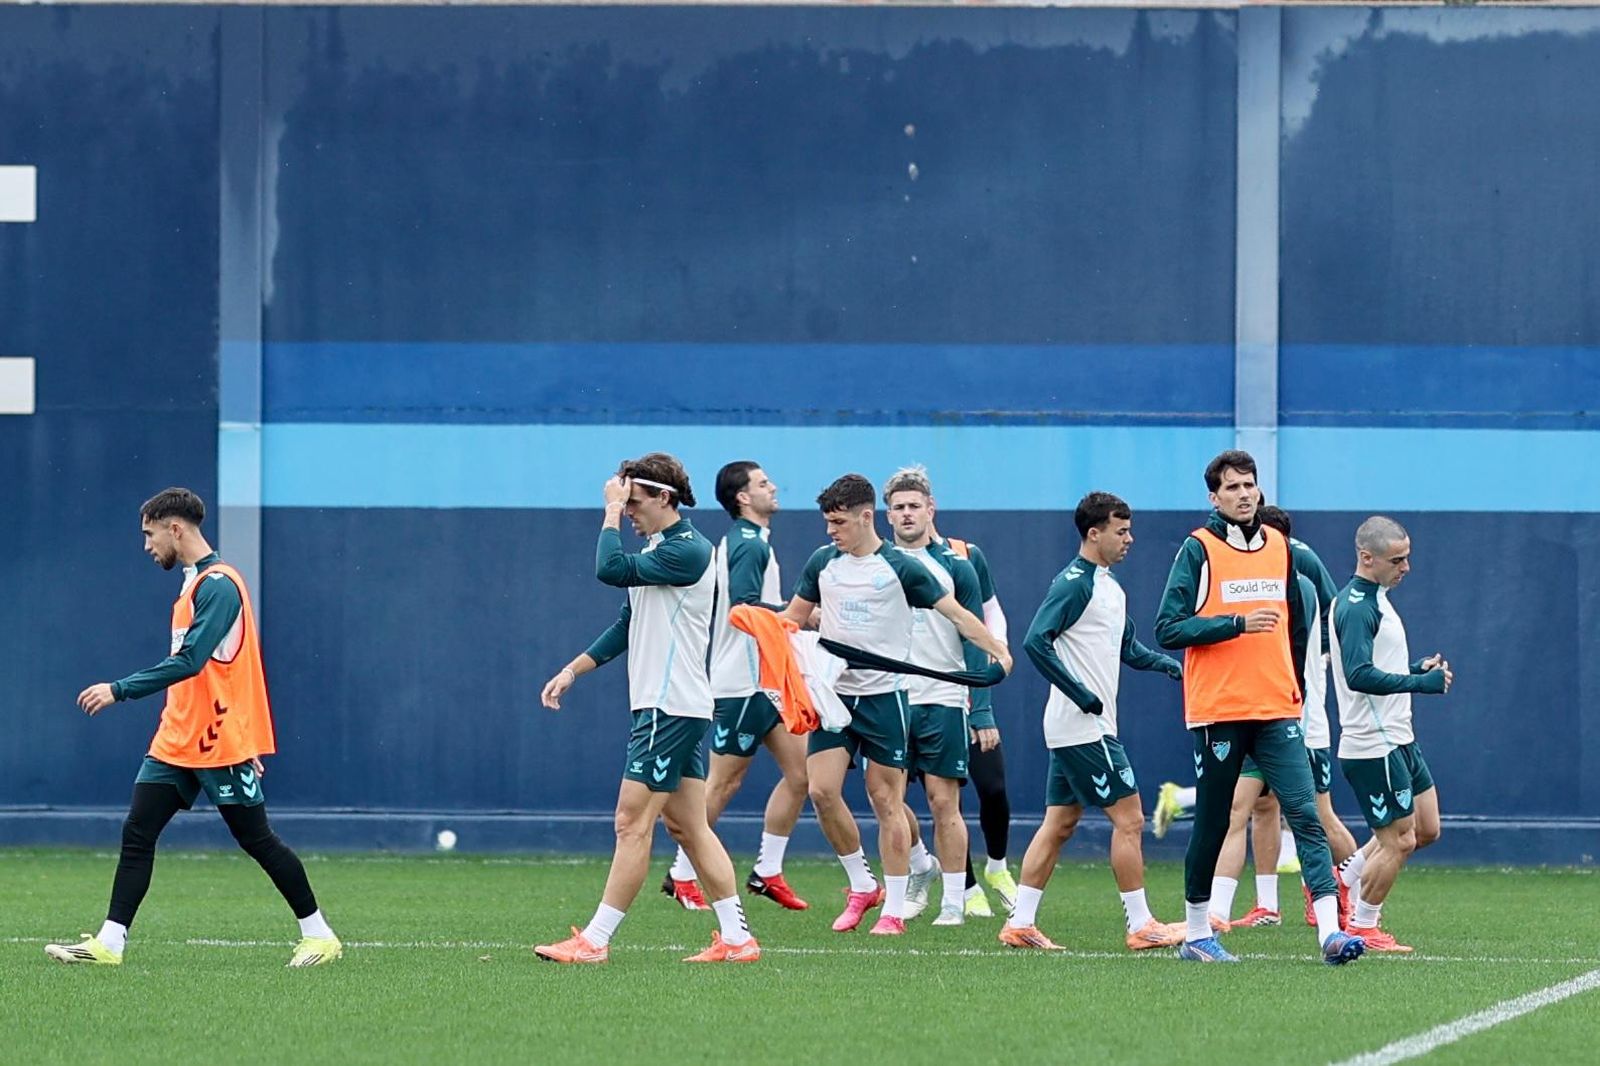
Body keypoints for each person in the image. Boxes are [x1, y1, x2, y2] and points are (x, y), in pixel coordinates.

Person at [46, 488, 340, 968]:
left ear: (174, 528)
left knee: (256, 839)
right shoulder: (193, 583)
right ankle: (109, 943)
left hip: (215, 738)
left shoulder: (219, 585)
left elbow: (192, 661)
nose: (146, 545)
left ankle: (320, 935)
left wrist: (119, 689)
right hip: (176, 737)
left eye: (149, 533)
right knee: (138, 832)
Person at [536, 454, 759, 964]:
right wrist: (572, 670)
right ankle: (738, 939)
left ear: (664, 498)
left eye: (635, 502)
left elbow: (607, 568)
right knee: (688, 827)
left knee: (630, 823)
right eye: (624, 503)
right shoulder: (660, 549)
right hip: (670, 707)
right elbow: (626, 624)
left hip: (669, 708)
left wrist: (609, 512)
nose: (628, 511)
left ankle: (595, 940)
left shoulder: (690, 549)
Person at [1154, 450, 1363, 965]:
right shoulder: (1197, 550)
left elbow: (1296, 625)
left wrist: (1293, 683)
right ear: (1214, 497)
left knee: (1306, 816)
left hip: (1277, 709)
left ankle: (1330, 936)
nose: (1244, 494)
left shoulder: (1280, 547)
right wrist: (1235, 624)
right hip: (1219, 710)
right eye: (1232, 487)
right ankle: (1199, 934)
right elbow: (1167, 627)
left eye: (1249, 485)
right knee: (1214, 822)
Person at [780, 474, 1010, 936]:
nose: (831, 531)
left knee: (888, 801)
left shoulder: (903, 568)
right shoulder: (823, 562)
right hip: (835, 694)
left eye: (838, 522)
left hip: (887, 696)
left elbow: (959, 615)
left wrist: (999, 653)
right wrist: (766, 633)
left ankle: (895, 908)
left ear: (865, 518)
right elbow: (791, 620)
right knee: (821, 791)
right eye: (827, 522)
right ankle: (862, 885)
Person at [999, 492, 1185, 952]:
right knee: (1131, 819)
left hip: (1078, 728)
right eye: (1121, 532)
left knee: (1059, 822)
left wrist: (1166, 664)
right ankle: (1141, 925)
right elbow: (1035, 641)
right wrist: (1080, 694)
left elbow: (1126, 648)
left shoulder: (1110, 586)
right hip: (1083, 726)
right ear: (1093, 533)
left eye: (1129, 530)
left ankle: (1020, 922)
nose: (1129, 539)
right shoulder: (1074, 583)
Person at [662, 462, 810, 912]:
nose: (773, 487)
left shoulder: (756, 540)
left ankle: (768, 871)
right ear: (743, 497)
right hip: (741, 682)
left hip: (766, 680)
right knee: (722, 785)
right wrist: (798, 614)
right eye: (764, 483)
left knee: (803, 776)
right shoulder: (746, 544)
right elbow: (743, 609)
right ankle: (681, 874)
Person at [1210, 505, 1358, 930]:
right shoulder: (1259, 582)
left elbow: (1334, 616)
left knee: (1317, 816)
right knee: (1249, 808)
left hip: (1298, 721)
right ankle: (1254, 907)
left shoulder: (1296, 582)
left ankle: (1353, 900)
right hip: (1264, 714)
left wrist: (1322, 659)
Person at [1331, 515, 1451, 953]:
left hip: (1399, 736)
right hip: (1372, 743)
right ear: (1367, 557)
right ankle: (1362, 925)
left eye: (1407, 557)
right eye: (1397, 560)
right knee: (1398, 840)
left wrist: (1413, 670)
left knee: (1426, 829)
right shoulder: (1357, 606)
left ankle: (1342, 877)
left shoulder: (1377, 598)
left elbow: (1378, 665)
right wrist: (1421, 684)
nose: (1406, 568)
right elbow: (1359, 673)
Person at [881, 467, 989, 926]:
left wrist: (980, 708)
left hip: (943, 695)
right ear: (886, 516)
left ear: (931, 509)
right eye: (899, 508)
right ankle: (914, 872)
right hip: (889, 696)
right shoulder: (877, 565)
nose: (907, 514)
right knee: (886, 799)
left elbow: (975, 635)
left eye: (914, 506)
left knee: (944, 802)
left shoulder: (957, 565)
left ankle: (952, 902)